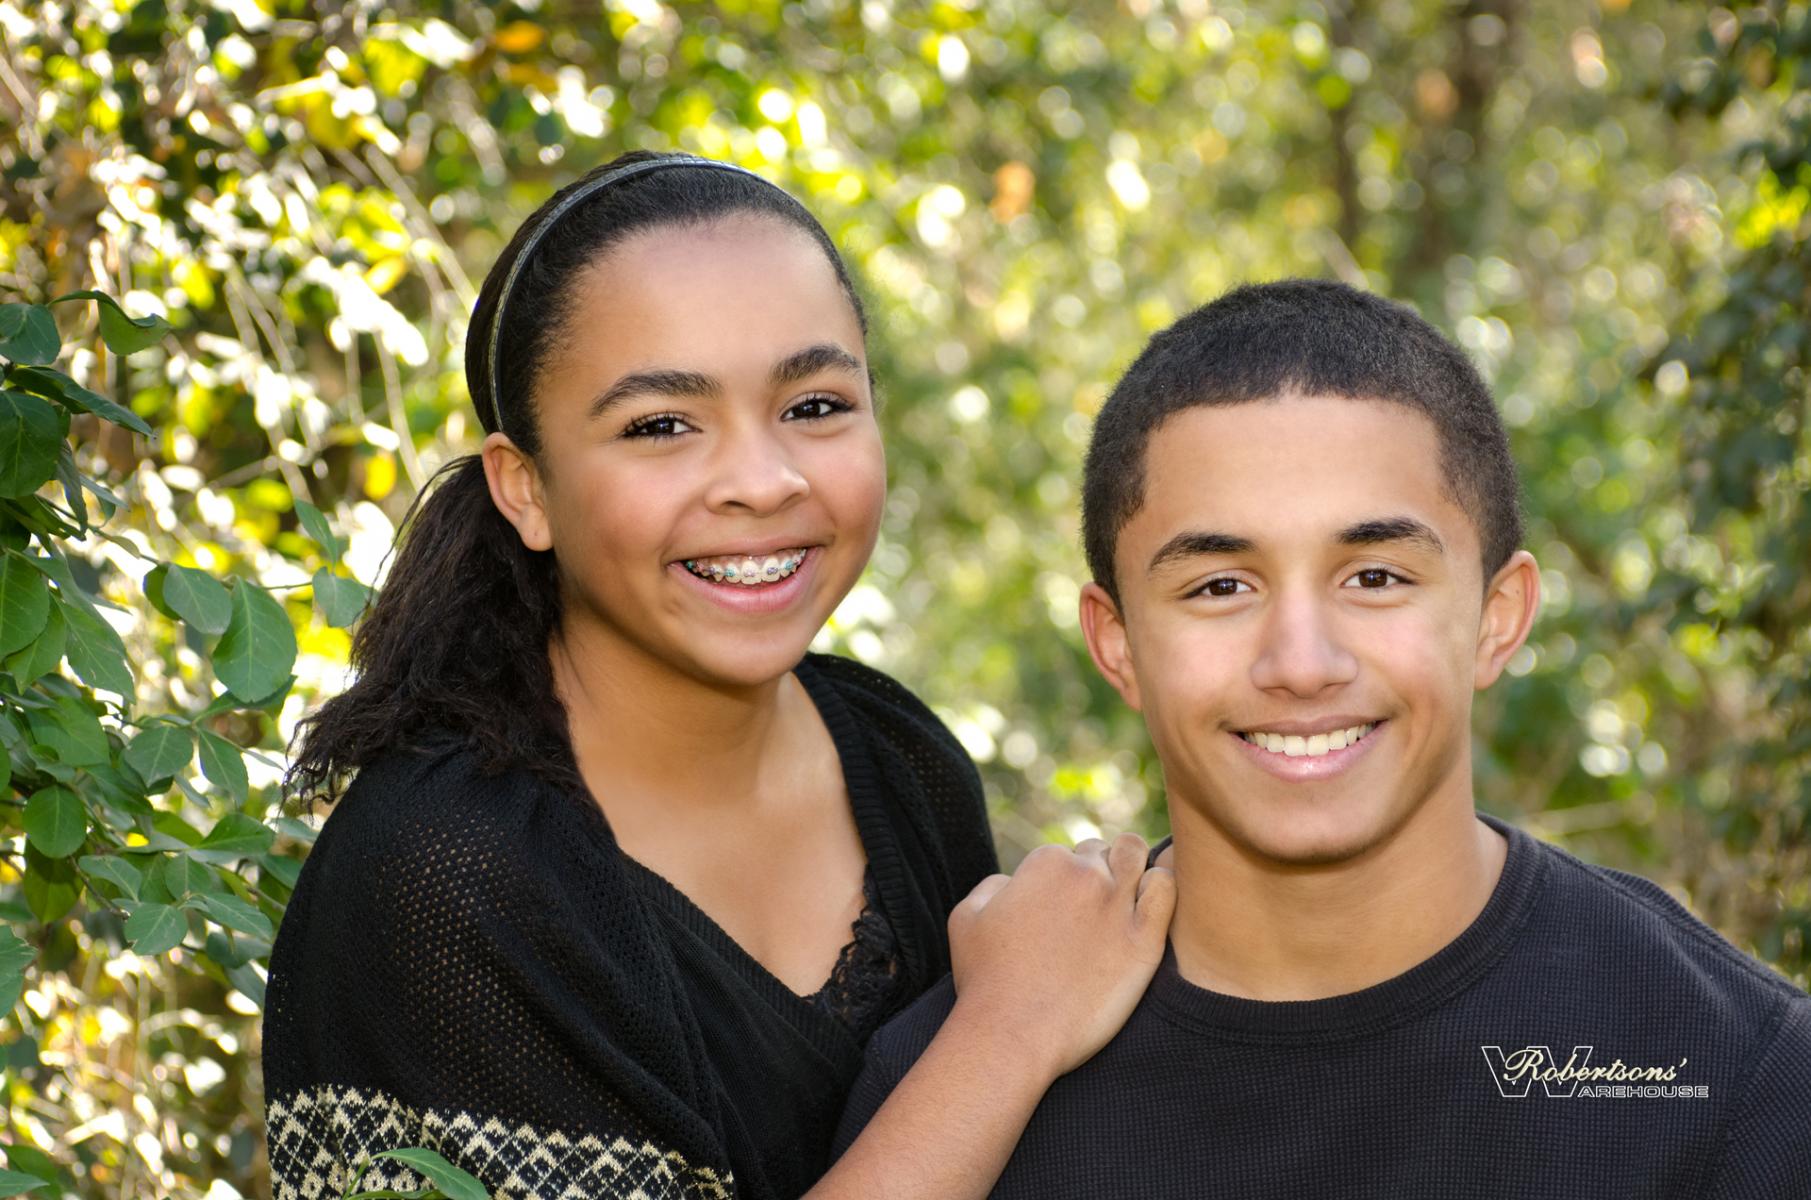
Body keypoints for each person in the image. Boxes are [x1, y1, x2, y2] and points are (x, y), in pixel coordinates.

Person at [262, 152, 1175, 1200]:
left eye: (815, 405)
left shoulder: (899, 758)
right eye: (661, 426)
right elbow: (985, 1078)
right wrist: (1009, 1027)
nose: (761, 480)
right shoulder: (443, 878)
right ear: (526, 488)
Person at [836, 279, 1811, 1198]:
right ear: (1117, 643)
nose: (1300, 663)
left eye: (1374, 577)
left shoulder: (1722, 1077)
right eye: (1220, 587)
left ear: (1494, 618)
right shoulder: (956, 1090)